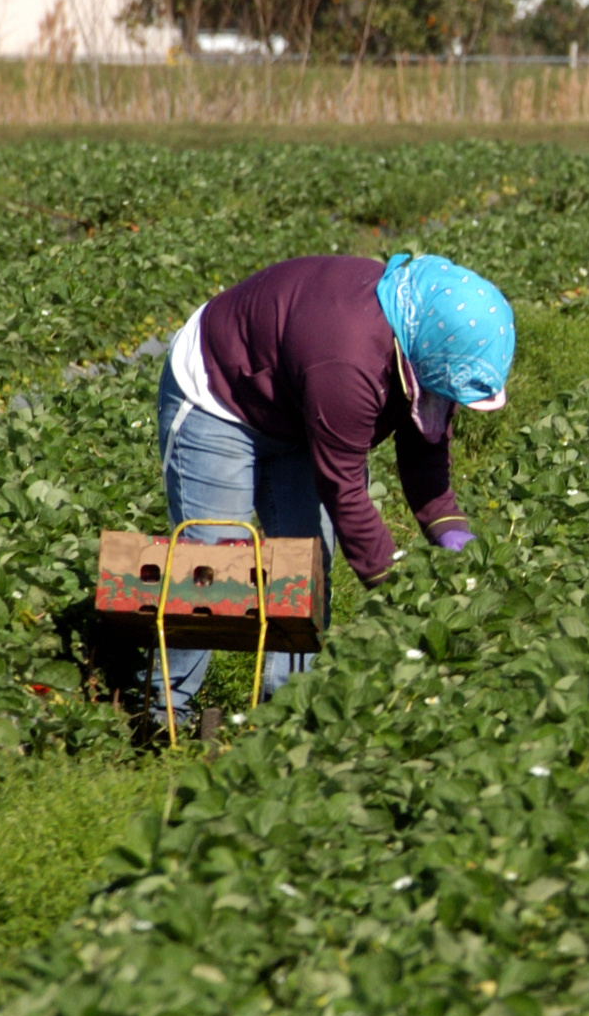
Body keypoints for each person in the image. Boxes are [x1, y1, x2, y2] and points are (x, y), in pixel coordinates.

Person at [150, 251, 512, 727]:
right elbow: (343, 487)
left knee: (307, 559)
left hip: (299, 407)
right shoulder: (350, 356)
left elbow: (425, 460)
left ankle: (284, 712)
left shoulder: (420, 341)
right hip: (220, 393)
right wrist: (399, 593)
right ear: (430, 353)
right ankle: (164, 712)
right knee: (213, 561)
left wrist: (453, 534)